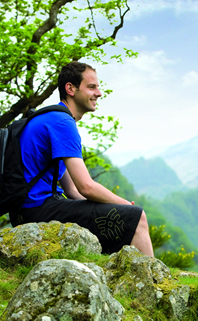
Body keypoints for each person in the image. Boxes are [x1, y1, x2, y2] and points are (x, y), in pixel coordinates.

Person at [10, 61, 154, 256]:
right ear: (70, 88)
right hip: (38, 209)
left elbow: (72, 190)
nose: (99, 93)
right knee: (138, 218)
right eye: (91, 87)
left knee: (122, 216)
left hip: (26, 210)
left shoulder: (51, 117)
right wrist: (125, 205)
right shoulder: (62, 122)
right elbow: (86, 187)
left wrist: (111, 207)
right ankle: (152, 284)